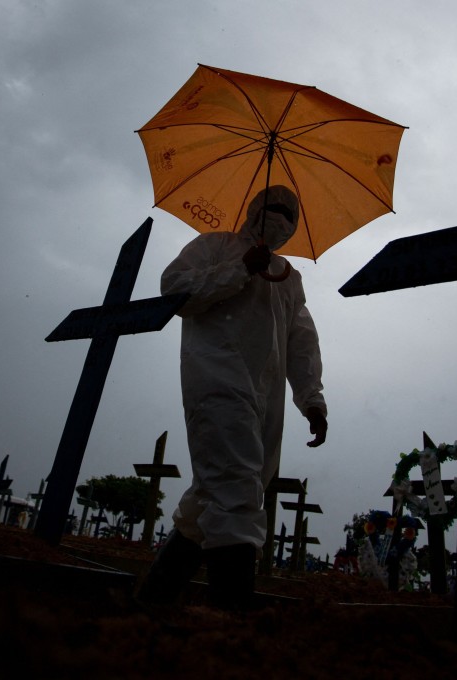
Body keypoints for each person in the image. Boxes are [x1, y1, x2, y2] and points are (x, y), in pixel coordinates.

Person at [136, 185, 328, 611]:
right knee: (236, 486)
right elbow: (176, 292)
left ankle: (152, 602)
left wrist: (311, 399)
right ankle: (232, 619)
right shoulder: (213, 246)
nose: (280, 218)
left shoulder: (289, 277)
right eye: (273, 208)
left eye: (289, 215)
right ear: (254, 209)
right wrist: (239, 268)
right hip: (216, 377)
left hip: (267, 395)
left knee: (218, 493)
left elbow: (301, 341)